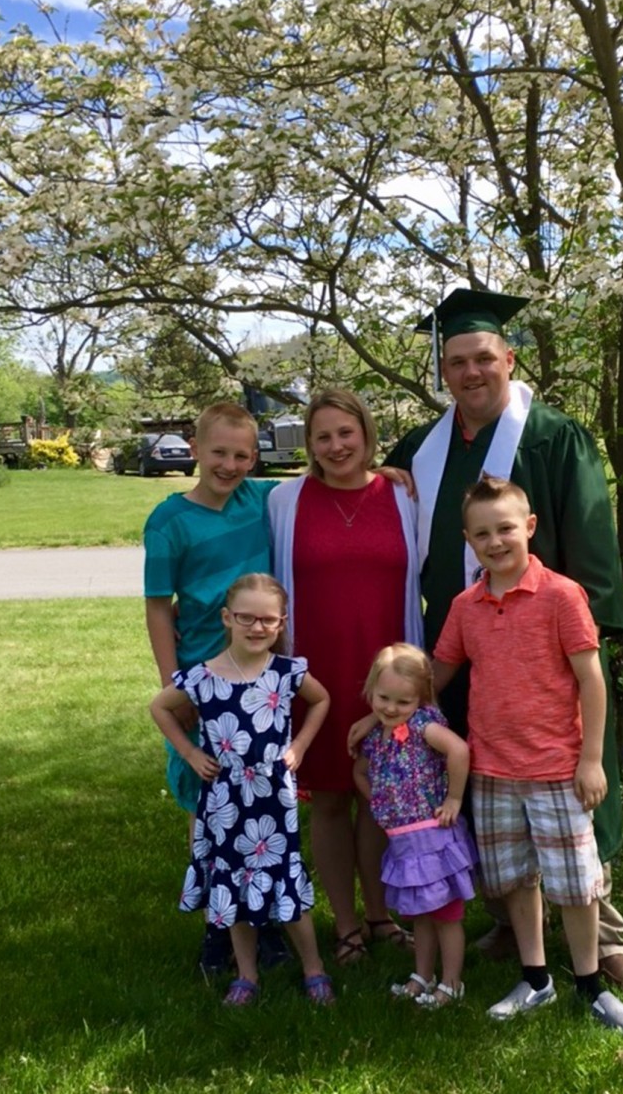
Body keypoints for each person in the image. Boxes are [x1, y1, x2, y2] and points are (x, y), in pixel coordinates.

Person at [384, 287, 623, 995]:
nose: (472, 373)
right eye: (456, 362)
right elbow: (379, 488)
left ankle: (604, 937)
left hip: (545, 654)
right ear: (443, 372)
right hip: (464, 643)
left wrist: (583, 646)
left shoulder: (554, 436)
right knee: (487, 791)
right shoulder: (424, 445)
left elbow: (593, 548)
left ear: (510, 357)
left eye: (484, 358)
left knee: (570, 793)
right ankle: (513, 922)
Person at [432, 477, 623, 1030]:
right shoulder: (465, 606)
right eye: (482, 533)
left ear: (528, 527)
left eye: (505, 528)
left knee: (576, 884)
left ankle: (591, 986)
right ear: (468, 540)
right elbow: (440, 673)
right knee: (518, 880)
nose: (495, 541)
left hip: (557, 768)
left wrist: (591, 759)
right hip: (493, 768)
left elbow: (591, 681)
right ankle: (536, 979)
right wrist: (387, 704)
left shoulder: (561, 595)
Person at [268, 389, 424, 965]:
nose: (336, 446)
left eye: (346, 433)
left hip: (388, 671)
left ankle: (382, 915)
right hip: (319, 675)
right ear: (308, 444)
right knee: (331, 799)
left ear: (366, 434)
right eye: (323, 436)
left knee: (382, 794)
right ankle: (347, 925)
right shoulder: (285, 501)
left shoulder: (405, 496)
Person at [144, 401, 285, 974]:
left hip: (265, 679)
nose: (230, 464)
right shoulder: (169, 520)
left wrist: (388, 473)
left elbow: (328, 479)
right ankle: (219, 925)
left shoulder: (261, 498)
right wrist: (173, 682)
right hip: (207, 677)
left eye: (242, 454)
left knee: (263, 801)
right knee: (210, 803)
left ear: (255, 456)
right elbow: (158, 608)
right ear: (195, 449)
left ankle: (267, 919)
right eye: (219, 452)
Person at [149, 572, 335, 1007]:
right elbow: (159, 707)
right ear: (227, 618)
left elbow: (322, 700)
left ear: (282, 623)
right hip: (225, 802)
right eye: (246, 618)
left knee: (286, 882)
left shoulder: (287, 673)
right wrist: (190, 754)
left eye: (267, 620)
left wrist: (300, 746)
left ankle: (314, 968)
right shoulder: (202, 678)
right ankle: (247, 974)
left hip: (273, 798)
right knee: (233, 885)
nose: (257, 628)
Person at [352, 643, 477, 1006]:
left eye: (402, 702)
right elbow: (359, 770)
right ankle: (422, 975)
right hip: (402, 841)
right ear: (371, 691)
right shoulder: (377, 737)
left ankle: (452, 982)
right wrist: (378, 800)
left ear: (420, 698)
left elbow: (459, 750)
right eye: (383, 698)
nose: (391, 708)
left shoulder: (424, 725)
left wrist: (453, 798)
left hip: (433, 838)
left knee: (446, 914)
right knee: (420, 914)